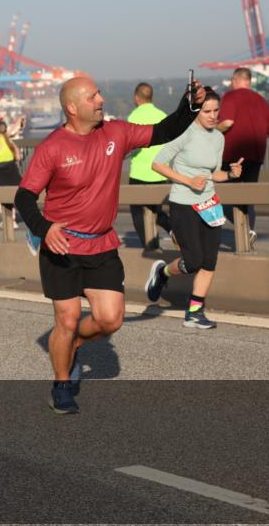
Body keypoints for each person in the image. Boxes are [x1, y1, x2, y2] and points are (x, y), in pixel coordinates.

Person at [15, 76, 204, 415]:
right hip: (62, 247)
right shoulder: (52, 148)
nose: (100, 100)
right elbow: (24, 197)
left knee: (110, 320)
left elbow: (163, 131)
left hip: (102, 244)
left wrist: (188, 107)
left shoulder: (116, 132)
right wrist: (44, 229)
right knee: (68, 318)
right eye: (92, 96)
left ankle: (71, 347)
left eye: (99, 93)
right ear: (73, 108)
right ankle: (61, 384)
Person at [145, 88, 243, 329]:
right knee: (194, 260)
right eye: (207, 111)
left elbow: (212, 174)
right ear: (197, 111)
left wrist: (230, 174)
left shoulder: (218, 138)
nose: (213, 116)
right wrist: (187, 181)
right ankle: (163, 273)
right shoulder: (185, 133)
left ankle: (195, 312)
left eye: (216, 111)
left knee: (209, 261)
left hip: (209, 204)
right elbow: (157, 164)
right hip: (183, 204)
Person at [217, 67, 269, 249]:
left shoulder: (230, 97)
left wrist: (211, 130)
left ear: (235, 80)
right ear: (249, 81)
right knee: (247, 197)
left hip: (233, 155)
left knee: (224, 196)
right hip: (256, 156)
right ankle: (247, 233)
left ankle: (247, 231)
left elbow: (227, 122)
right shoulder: (261, 100)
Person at [126, 83, 173, 249]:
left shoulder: (133, 117)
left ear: (136, 98)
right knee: (157, 211)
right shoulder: (162, 116)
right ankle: (173, 230)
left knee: (138, 213)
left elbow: (128, 145)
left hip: (140, 173)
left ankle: (150, 245)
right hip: (160, 173)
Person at [0, 117, 22, 229]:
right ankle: (12, 220)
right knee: (13, 195)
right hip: (12, 169)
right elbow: (18, 156)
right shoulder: (10, 142)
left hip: (0, 171)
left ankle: (6, 220)